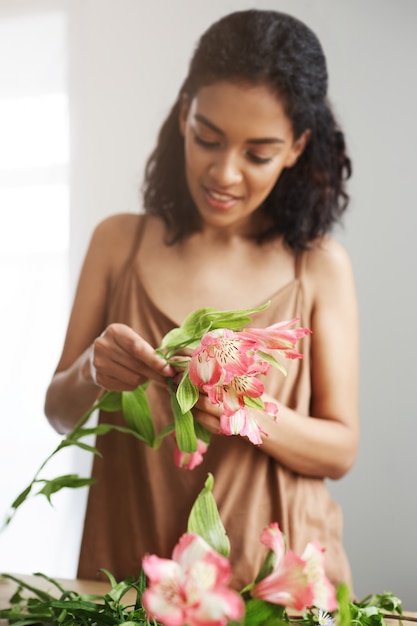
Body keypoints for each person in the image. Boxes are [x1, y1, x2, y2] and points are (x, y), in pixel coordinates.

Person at [44, 9, 359, 591]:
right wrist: (94, 367)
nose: (225, 172)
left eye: (258, 154)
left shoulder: (317, 265)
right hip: (126, 577)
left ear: (297, 147)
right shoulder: (118, 242)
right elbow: (60, 412)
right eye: (207, 138)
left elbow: (340, 448)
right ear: (184, 112)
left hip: (277, 584)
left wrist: (249, 410)